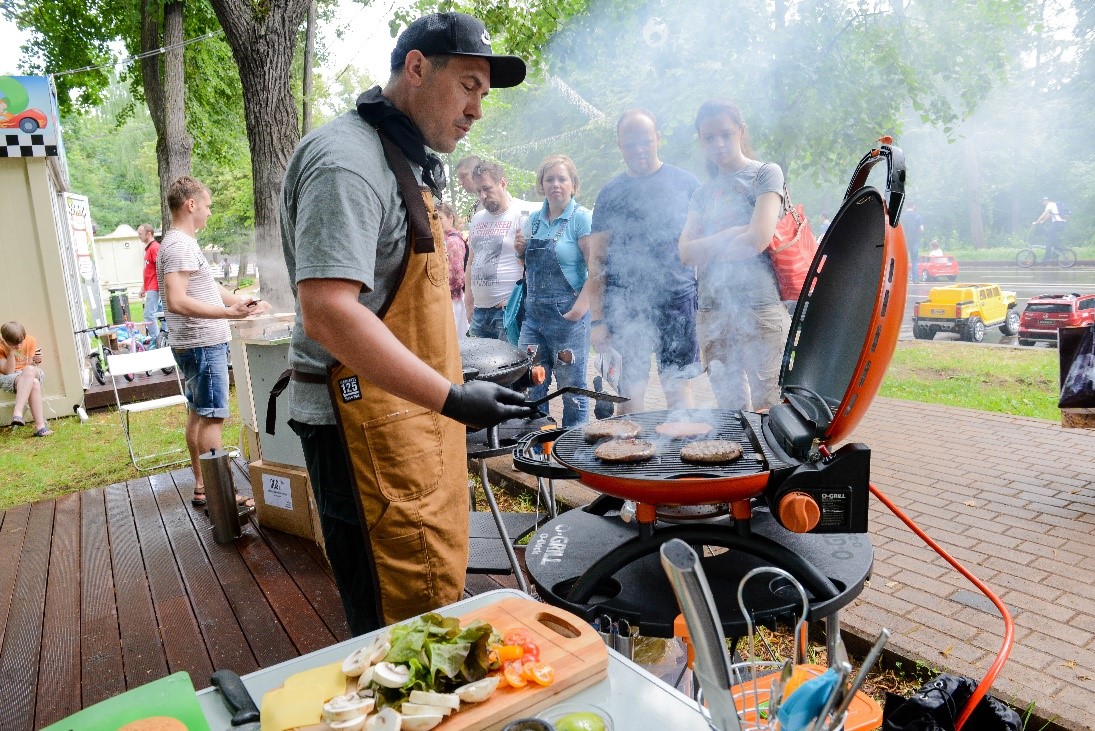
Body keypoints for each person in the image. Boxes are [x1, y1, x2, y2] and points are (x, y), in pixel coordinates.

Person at [279, 11, 533, 634]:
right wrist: (449, 395)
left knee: (429, 590)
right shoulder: (348, 162)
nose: (478, 109)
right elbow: (330, 312)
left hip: (407, 415)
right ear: (417, 68)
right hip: (357, 427)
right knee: (390, 619)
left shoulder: (402, 154)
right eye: (469, 85)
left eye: (484, 94)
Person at [158, 175, 268, 509]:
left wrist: (239, 301)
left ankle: (204, 487)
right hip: (203, 345)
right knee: (212, 418)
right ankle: (223, 497)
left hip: (196, 344)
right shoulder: (178, 244)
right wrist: (227, 316)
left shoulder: (182, 243)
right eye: (206, 206)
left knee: (198, 414)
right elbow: (176, 301)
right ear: (191, 205)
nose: (208, 212)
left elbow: (205, 289)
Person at [584, 109, 701, 414]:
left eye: (645, 141)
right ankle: (630, 457)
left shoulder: (687, 184)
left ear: (657, 139)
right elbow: (597, 261)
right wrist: (597, 321)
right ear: (620, 146)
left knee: (677, 386)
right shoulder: (610, 193)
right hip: (625, 304)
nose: (638, 150)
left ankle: (681, 455)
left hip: (678, 300)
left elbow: (702, 246)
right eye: (630, 143)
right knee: (629, 389)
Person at [678, 99, 789, 412]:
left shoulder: (765, 175)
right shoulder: (701, 194)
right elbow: (685, 253)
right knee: (729, 412)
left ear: (741, 131)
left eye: (726, 133)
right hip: (712, 312)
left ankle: (771, 465)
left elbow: (757, 238)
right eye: (709, 138)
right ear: (701, 141)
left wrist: (708, 246)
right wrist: (729, 235)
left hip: (759, 308)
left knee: (769, 408)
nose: (719, 143)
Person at [514, 155, 594, 427]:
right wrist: (520, 252)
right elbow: (527, 265)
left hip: (568, 318)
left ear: (573, 184)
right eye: (550, 179)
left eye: (562, 179)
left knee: (572, 387)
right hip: (534, 318)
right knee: (531, 381)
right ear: (542, 184)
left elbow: (596, 270)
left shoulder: (581, 218)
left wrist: (578, 310)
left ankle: (574, 448)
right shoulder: (534, 220)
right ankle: (537, 444)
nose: (555, 184)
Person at [464, 160, 535, 340]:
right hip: (480, 312)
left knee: (510, 366)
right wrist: (469, 304)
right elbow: (471, 263)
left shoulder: (520, 216)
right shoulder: (478, 219)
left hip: (506, 311)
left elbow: (531, 264)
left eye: (487, 189)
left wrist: (516, 302)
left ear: (502, 183)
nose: (482, 195)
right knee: (479, 367)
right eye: (478, 191)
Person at [0, 321, 52, 436]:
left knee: (29, 370)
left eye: (20, 343)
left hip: (31, 371)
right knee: (33, 383)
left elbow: (30, 365)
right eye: (14, 344)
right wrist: (10, 352)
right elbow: (8, 372)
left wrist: (37, 360)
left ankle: (17, 412)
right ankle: (40, 427)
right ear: (5, 340)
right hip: (11, 377)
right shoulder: (0, 347)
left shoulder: (30, 340)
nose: (18, 347)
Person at [439, 202, 468, 336]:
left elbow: (456, 277)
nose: (436, 223)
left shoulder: (452, 242)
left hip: (452, 300)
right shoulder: (442, 240)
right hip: (448, 299)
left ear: (451, 218)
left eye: (439, 218)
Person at [137, 223, 161, 340]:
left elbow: (160, 267)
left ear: (149, 234)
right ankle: (163, 337)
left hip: (155, 287)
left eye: (140, 234)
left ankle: (155, 339)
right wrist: (143, 288)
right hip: (150, 286)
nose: (139, 236)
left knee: (149, 314)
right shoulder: (148, 249)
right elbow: (149, 272)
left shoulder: (154, 248)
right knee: (159, 313)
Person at [1033, 197, 1065, 262]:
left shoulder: (1049, 205)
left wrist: (1037, 222)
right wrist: (1042, 222)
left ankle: (1046, 258)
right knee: (1052, 239)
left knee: (1049, 241)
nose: (1042, 203)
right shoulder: (1053, 205)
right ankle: (1057, 253)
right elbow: (1049, 216)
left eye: (1042, 201)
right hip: (1061, 223)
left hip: (1057, 223)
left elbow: (1044, 214)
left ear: (1046, 200)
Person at [904, 203, 924, 281]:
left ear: (906, 206)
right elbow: (922, 229)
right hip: (914, 240)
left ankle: (904, 279)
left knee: (904, 259)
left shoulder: (902, 217)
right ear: (914, 206)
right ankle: (915, 279)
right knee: (914, 260)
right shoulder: (917, 216)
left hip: (904, 241)